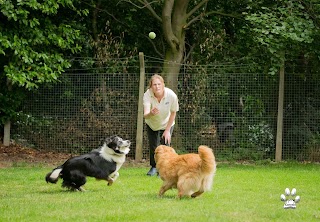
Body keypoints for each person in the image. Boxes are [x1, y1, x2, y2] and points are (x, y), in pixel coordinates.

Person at [143, 74, 179, 176]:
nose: (157, 87)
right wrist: (151, 113)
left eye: (159, 84)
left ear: (163, 85)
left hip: (167, 123)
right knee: (154, 146)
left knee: (165, 145)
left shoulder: (171, 95)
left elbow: (173, 112)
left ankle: (164, 169)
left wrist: (167, 130)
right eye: (154, 84)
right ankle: (154, 167)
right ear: (151, 86)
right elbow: (145, 115)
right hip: (152, 123)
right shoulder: (147, 95)